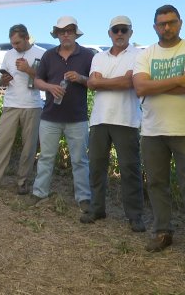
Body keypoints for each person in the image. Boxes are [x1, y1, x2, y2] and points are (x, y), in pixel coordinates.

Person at [133, 4, 185, 270]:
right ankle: (163, 232)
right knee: (156, 184)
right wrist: (176, 81)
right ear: (154, 26)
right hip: (152, 130)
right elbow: (139, 86)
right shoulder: (146, 54)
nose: (167, 27)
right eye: (162, 23)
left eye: (172, 22)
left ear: (180, 23)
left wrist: (153, 87)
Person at [79, 16, 145, 232]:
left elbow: (129, 82)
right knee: (96, 167)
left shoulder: (139, 55)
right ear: (109, 33)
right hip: (99, 119)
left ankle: (134, 215)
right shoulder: (98, 56)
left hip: (126, 120)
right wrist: (117, 81)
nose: (119, 33)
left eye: (123, 30)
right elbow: (91, 83)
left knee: (130, 169)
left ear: (130, 33)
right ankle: (98, 208)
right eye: (115, 30)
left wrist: (103, 81)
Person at [27, 16, 93, 213]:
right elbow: (37, 80)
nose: (66, 34)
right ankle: (39, 193)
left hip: (77, 117)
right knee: (46, 157)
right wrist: (50, 87)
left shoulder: (88, 55)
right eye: (62, 31)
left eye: (69, 30)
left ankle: (84, 198)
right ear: (56, 34)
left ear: (75, 33)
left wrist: (81, 78)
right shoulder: (48, 56)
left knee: (80, 160)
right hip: (50, 117)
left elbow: (95, 82)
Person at [0, 24, 44, 195]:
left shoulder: (42, 53)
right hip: (11, 104)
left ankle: (22, 181)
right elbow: (0, 80)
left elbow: (46, 78)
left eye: (18, 43)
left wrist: (28, 70)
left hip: (32, 105)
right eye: (13, 43)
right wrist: (4, 80)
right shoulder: (8, 54)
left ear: (27, 37)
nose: (15, 46)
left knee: (29, 147)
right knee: (2, 143)